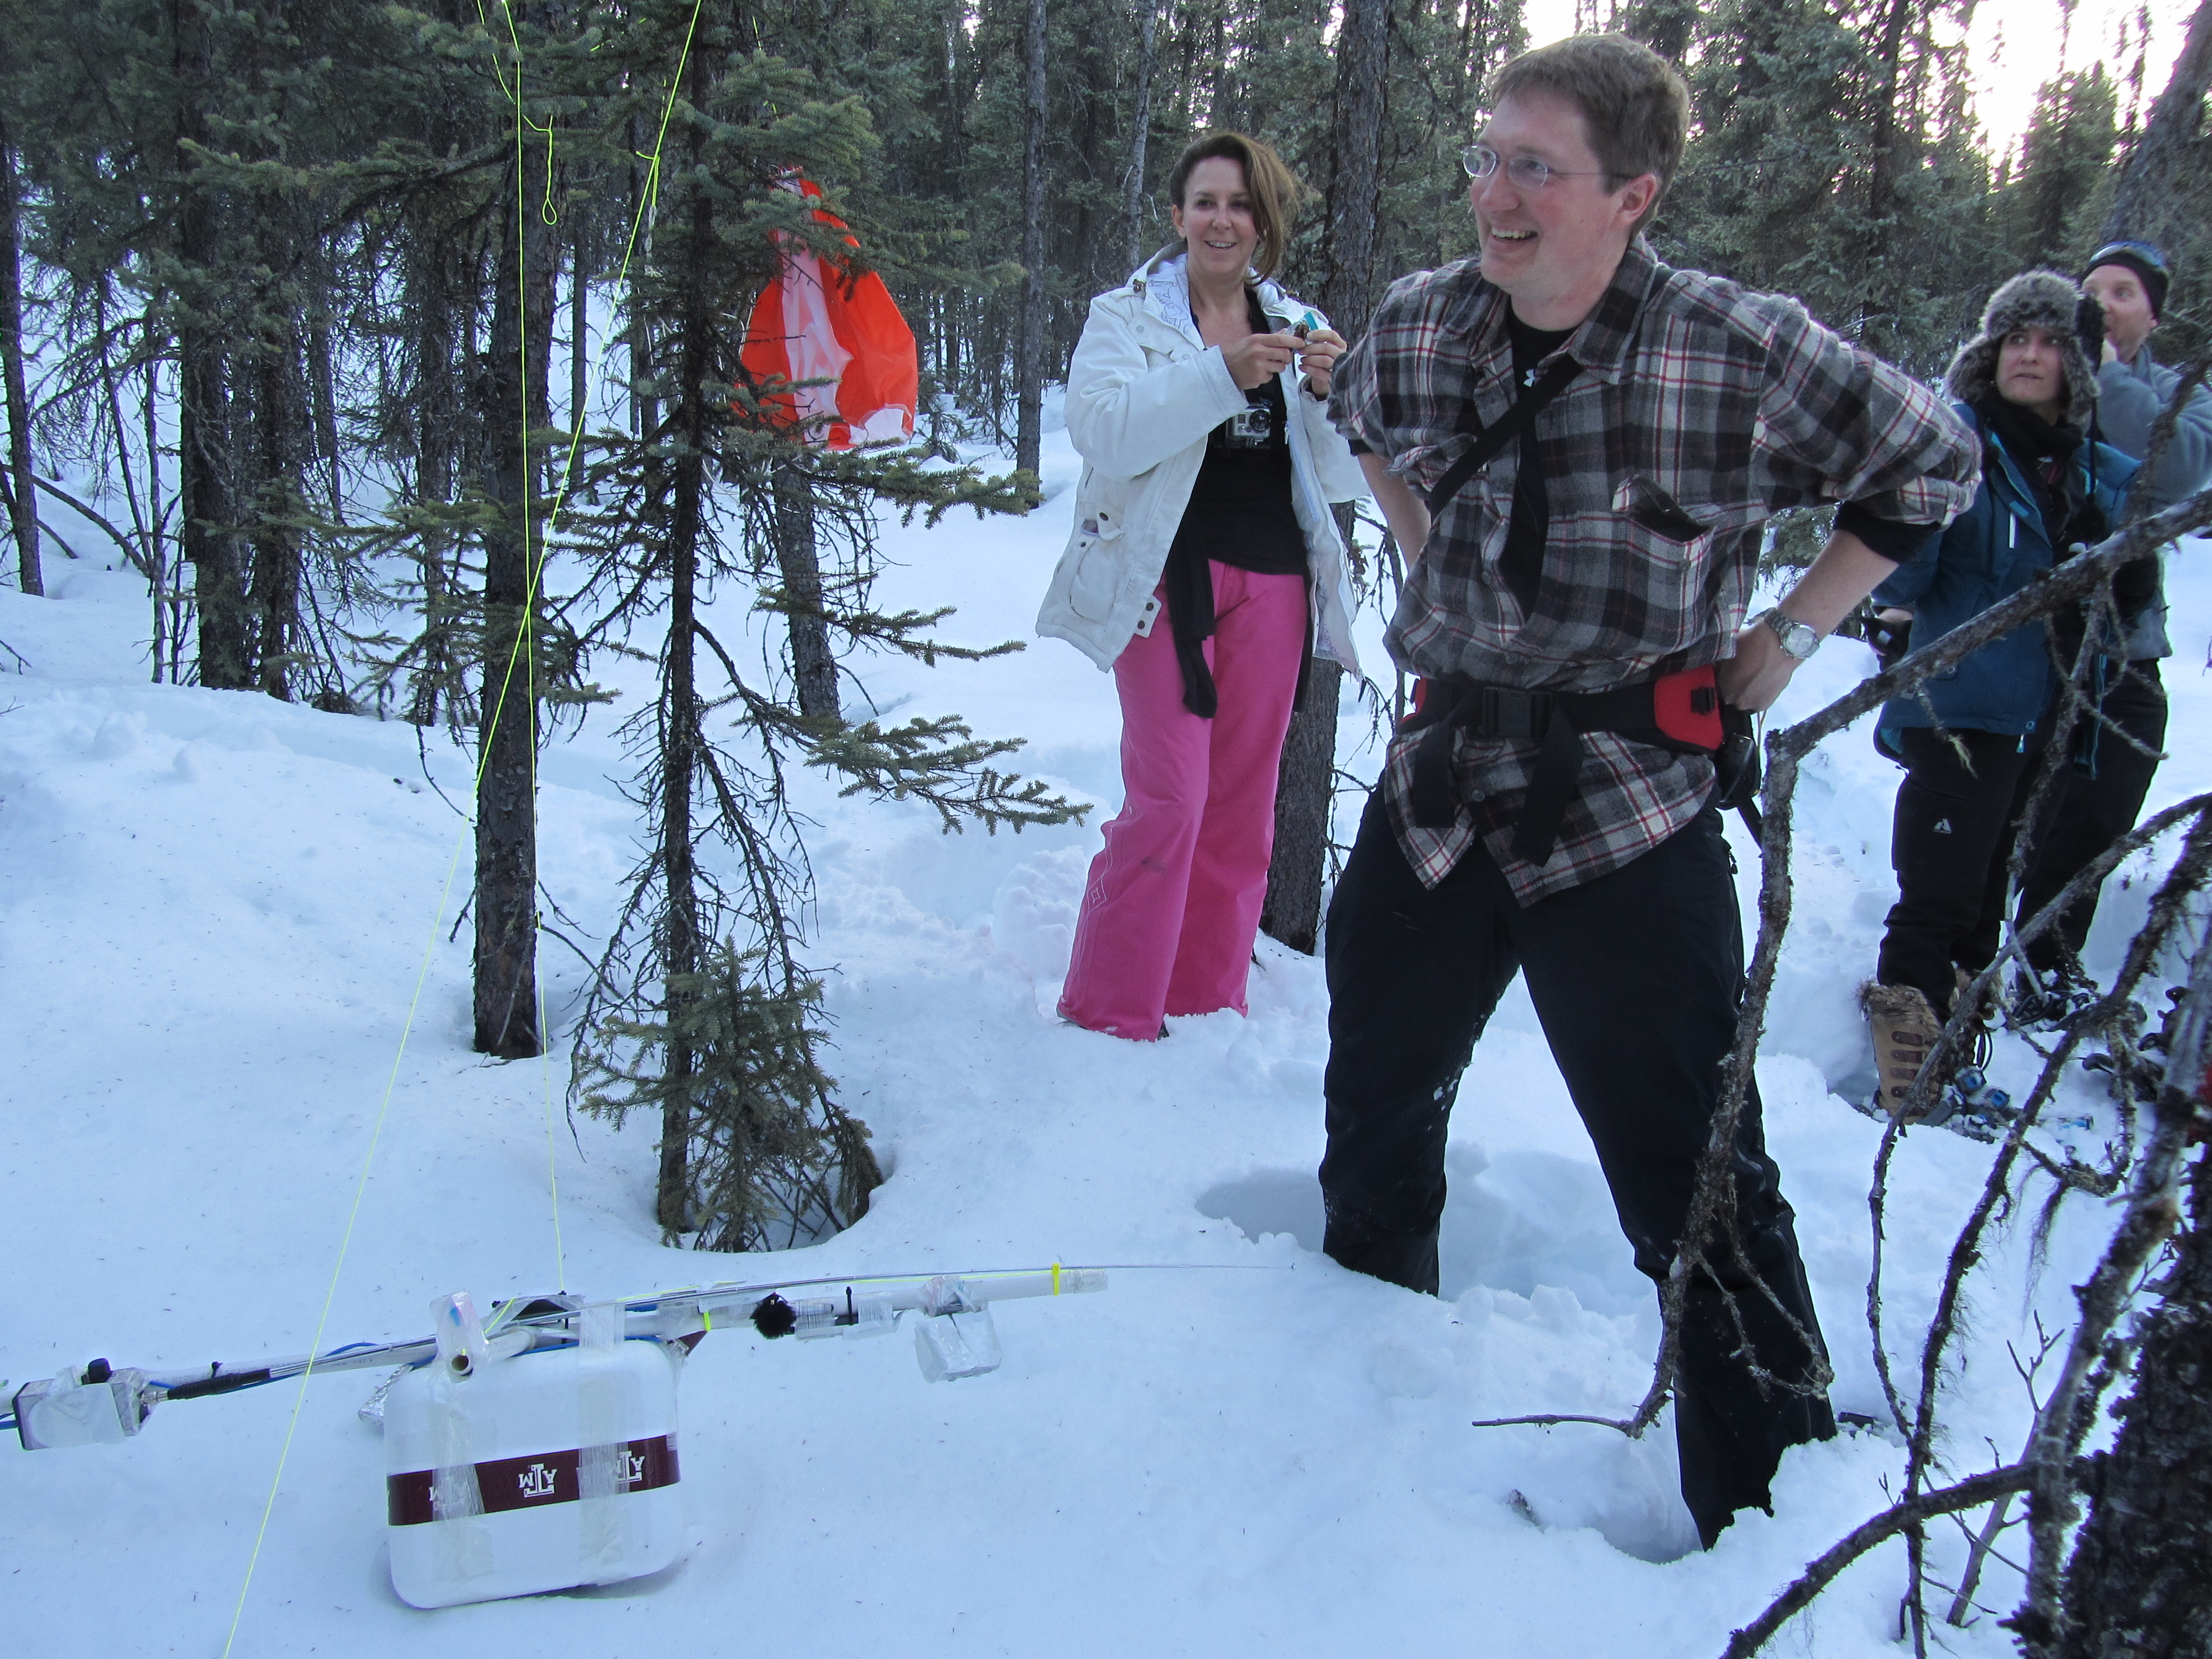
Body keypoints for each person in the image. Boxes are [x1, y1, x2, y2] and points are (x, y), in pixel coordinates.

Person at [1319, 34, 1979, 1548]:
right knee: (1375, 1109)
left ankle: (1771, 1503)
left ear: (1632, 194)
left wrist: (1795, 629)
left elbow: (1930, 463)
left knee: (1694, 1178)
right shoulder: (1426, 323)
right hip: (1438, 789)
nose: (1497, 194)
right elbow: (1362, 415)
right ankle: (1352, 1405)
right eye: (1488, 158)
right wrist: (1426, 553)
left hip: (1627, 806)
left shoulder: (1737, 350)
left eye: (1535, 168)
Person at [1037, 133, 1368, 1041]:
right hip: (1160, 579)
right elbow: (1104, 432)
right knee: (1172, 799)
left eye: (1240, 204)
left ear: (1263, 223)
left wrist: (1335, 395)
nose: (1222, 220)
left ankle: (1205, 1005)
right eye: (1206, 202)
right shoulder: (1128, 317)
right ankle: (1110, 1011)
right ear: (1179, 216)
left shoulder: (1297, 322)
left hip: (1275, 583)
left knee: (1240, 805)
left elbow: (1338, 480)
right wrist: (1222, 373)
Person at [1864, 272, 2140, 1111]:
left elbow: (2130, 608)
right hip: (1962, 705)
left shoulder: (2101, 474)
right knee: (1938, 890)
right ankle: (1908, 1075)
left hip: (2048, 713)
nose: (2028, 354)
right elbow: (1902, 575)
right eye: (2014, 338)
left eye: (2050, 341)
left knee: (1986, 896)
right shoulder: (1959, 447)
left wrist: (2113, 563)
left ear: (2079, 364)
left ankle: (1952, 1049)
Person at [2012, 241, 2212, 1011]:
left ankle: (2047, 961)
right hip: (2029, 630)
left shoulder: (2174, 392)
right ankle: (1964, 960)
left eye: (2122, 292)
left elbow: (2182, 471)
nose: (2101, 304)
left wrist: (2109, 375)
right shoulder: (2040, 377)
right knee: (2010, 803)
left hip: (2124, 639)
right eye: (2090, 290)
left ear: (2153, 313)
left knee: (2101, 798)